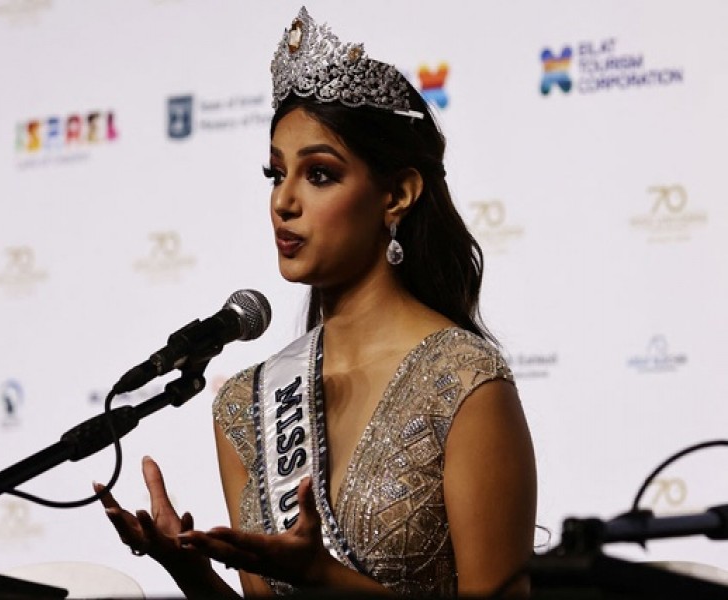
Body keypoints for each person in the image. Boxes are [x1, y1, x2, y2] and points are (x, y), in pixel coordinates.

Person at [95, 7, 536, 597]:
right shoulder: (246, 403)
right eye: (275, 174)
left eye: (320, 174)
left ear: (397, 195)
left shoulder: (465, 384)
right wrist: (191, 573)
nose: (284, 201)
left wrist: (323, 578)